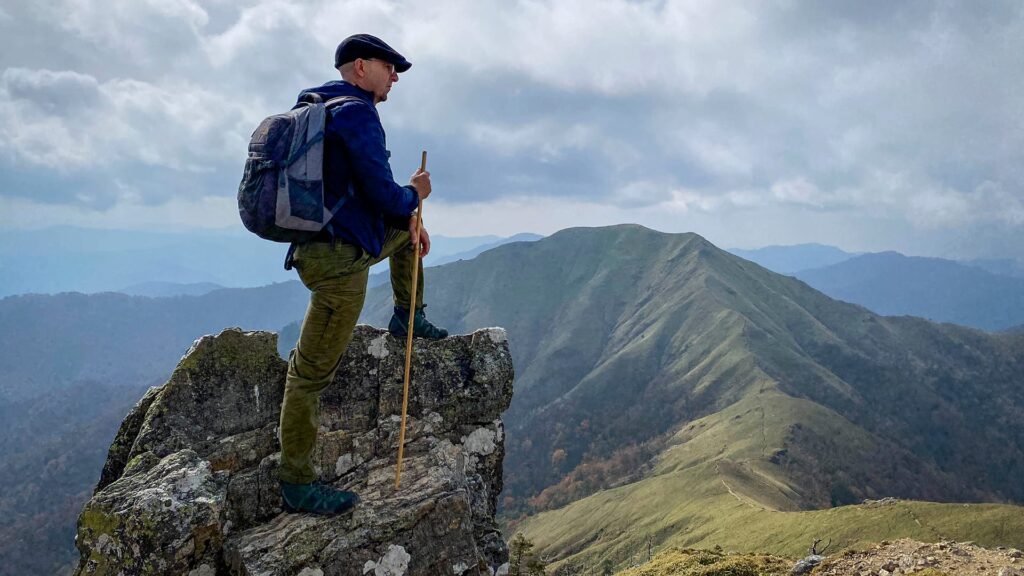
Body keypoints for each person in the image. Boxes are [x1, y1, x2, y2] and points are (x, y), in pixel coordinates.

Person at [278, 33, 448, 515]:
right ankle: (296, 485)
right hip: (337, 262)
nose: (395, 75)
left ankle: (406, 316)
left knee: (407, 235)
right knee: (308, 376)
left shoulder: (319, 105)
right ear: (359, 67)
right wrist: (415, 195)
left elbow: (367, 198)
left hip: (323, 246)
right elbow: (381, 194)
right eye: (388, 66)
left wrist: (409, 220)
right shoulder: (357, 114)